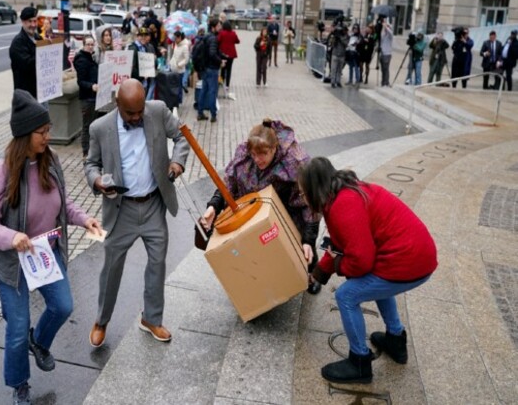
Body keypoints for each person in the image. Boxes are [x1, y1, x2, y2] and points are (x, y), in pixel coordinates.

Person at [0, 89, 103, 404]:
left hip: (45, 252)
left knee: (62, 306)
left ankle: (40, 342)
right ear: (24, 134)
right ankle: (20, 385)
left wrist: (84, 219)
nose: (48, 136)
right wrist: (12, 238)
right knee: (17, 327)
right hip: (12, 261)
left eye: (48, 130)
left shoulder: (50, 160)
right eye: (42, 132)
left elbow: (63, 203)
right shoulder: (2, 172)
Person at [300, 157, 437, 384]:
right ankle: (395, 340)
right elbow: (339, 244)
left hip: (410, 260)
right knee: (377, 283)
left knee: (346, 295)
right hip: (417, 255)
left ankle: (360, 363)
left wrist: (338, 267)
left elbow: (361, 262)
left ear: (315, 188)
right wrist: (317, 274)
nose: (303, 199)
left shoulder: (343, 205)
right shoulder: (343, 192)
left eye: (304, 193)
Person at [84, 79, 190, 348]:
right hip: (121, 209)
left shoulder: (156, 111)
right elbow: (91, 164)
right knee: (111, 267)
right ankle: (101, 320)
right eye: (131, 113)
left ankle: (151, 319)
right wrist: (97, 181)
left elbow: (181, 136)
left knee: (157, 262)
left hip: (154, 203)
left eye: (140, 110)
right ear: (118, 105)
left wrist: (177, 161)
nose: (137, 116)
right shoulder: (99, 128)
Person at [200, 119, 322, 295]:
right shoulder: (244, 154)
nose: (257, 159)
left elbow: (310, 201)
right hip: (255, 206)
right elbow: (229, 184)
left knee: (302, 245)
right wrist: (213, 205)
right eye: (254, 155)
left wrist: (308, 239)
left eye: (263, 154)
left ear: (274, 148)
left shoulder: (295, 161)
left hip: (289, 207)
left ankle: (311, 273)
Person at [74, 36, 99, 159]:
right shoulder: (82, 60)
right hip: (87, 98)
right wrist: (91, 86)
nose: (90, 47)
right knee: (87, 126)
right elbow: (80, 81)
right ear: (83, 45)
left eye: (92, 44)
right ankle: (85, 152)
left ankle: (90, 150)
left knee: (92, 124)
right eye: (88, 44)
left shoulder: (90, 58)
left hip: (93, 97)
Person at [197, 19, 226, 123]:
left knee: (204, 90)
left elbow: (213, 52)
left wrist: (223, 56)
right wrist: (220, 62)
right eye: (218, 26)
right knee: (212, 92)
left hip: (205, 68)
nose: (220, 28)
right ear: (213, 27)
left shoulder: (207, 36)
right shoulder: (213, 38)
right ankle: (213, 114)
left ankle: (200, 113)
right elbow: (212, 53)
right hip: (212, 68)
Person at [9, 7, 42, 99]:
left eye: (35, 21)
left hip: (40, 92)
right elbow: (28, 65)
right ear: (23, 22)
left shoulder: (38, 38)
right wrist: (43, 53)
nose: (33, 24)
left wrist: (49, 47)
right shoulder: (18, 43)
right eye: (30, 21)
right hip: (26, 96)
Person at [217, 21, 240, 95]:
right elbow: (237, 41)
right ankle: (227, 85)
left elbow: (218, 41)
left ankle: (222, 82)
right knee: (229, 69)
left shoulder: (222, 33)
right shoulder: (233, 33)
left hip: (223, 54)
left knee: (223, 69)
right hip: (231, 54)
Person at [169, 30, 190, 104]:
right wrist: (171, 63)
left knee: (179, 86)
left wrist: (179, 64)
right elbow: (173, 55)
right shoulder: (175, 44)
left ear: (180, 37)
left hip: (180, 70)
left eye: (176, 38)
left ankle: (178, 101)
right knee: (173, 86)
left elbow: (186, 59)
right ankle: (174, 100)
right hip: (173, 68)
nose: (175, 40)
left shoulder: (185, 46)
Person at [329, 23, 348, 88]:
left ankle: (338, 81)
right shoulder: (335, 36)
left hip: (342, 55)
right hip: (335, 54)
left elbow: (346, 44)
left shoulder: (346, 36)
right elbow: (331, 44)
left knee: (339, 70)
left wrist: (340, 38)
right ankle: (333, 82)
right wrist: (335, 38)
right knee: (333, 69)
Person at [379, 18, 393, 87]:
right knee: (382, 69)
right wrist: (383, 28)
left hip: (387, 54)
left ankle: (386, 82)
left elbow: (390, 33)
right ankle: (383, 81)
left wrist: (386, 27)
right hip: (382, 53)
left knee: (386, 68)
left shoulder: (390, 35)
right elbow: (381, 38)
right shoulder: (383, 33)